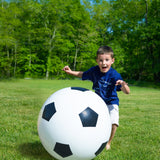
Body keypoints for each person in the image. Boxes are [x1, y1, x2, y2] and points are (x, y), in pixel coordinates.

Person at [63, 45, 130, 150]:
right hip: (97, 101)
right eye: (101, 60)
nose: (104, 63)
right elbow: (82, 74)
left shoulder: (114, 75)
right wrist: (71, 72)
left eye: (107, 60)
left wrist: (123, 84)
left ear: (112, 61)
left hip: (111, 102)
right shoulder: (94, 71)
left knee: (113, 122)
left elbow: (127, 92)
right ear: (97, 60)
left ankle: (108, 142)